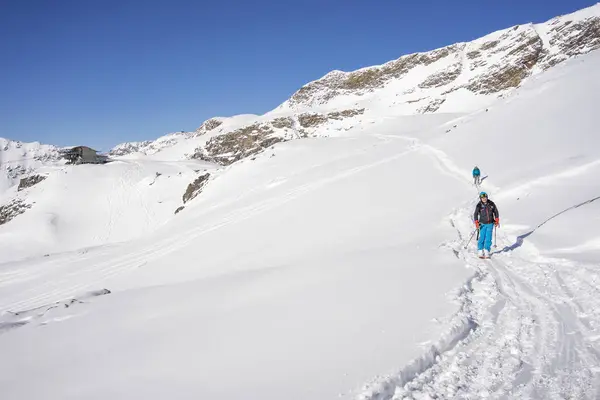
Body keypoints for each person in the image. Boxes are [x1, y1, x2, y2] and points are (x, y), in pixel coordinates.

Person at [473, 191, 499, 258]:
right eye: (482, 198)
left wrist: (496, 220)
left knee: (488, 238)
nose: (484, 199)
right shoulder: (479, 205)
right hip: (482, 224)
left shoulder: (491, 204)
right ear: (480, 198)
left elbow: (496, 212)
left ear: (487, 197)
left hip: (490, 223)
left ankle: (487, 250)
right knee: (482, 237)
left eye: (485, 197)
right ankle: (480, 250)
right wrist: (476, 222)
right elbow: (475, 214)